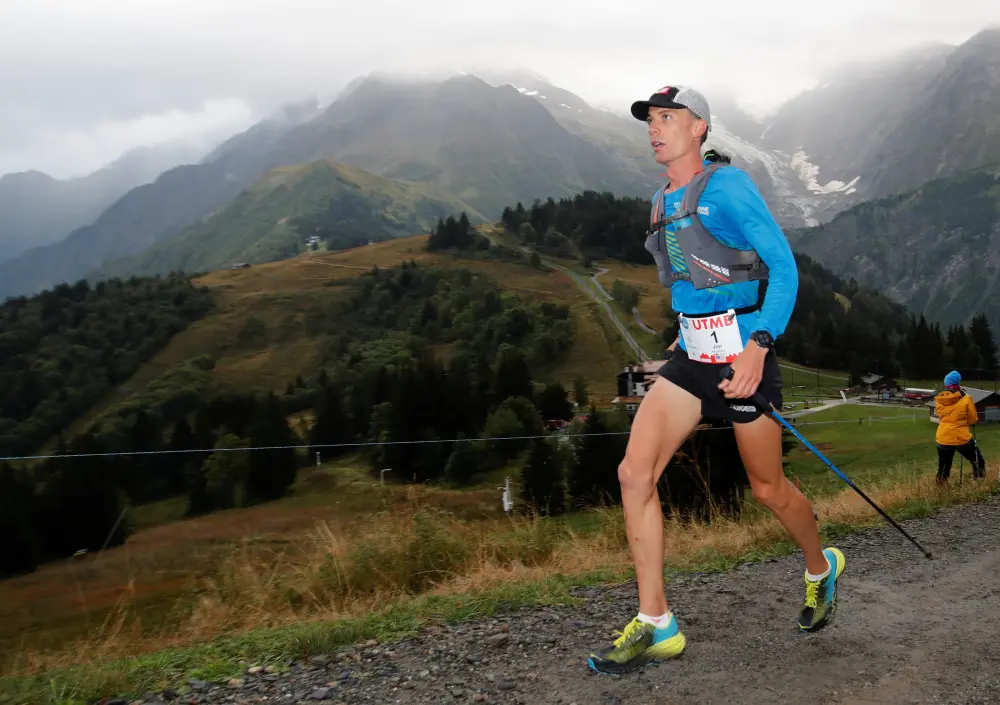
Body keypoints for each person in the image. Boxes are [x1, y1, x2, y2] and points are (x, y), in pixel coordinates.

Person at [587, 85, 845, 675]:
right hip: (694, 360)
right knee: (634, 473)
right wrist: (686, 329)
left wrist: (759, 344)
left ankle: (819, 567)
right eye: (651, 120)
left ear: (699, 127)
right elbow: (688, 280)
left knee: (768, 489)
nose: (656, 128)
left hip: (744, 359)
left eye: (669, 118)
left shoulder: (727, 186)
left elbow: (782, 266)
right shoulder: (660, 201)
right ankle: (658, 623)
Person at [934, 370, 986, 483]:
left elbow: (941, 416)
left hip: (943, 437)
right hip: (961, 438)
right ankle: (980, 483)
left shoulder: (939, 399)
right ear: (958, 383)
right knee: (978, 461)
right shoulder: (966, 398)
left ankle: (940, 489)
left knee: (943, 467)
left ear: (946, 384)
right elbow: (972, 419)